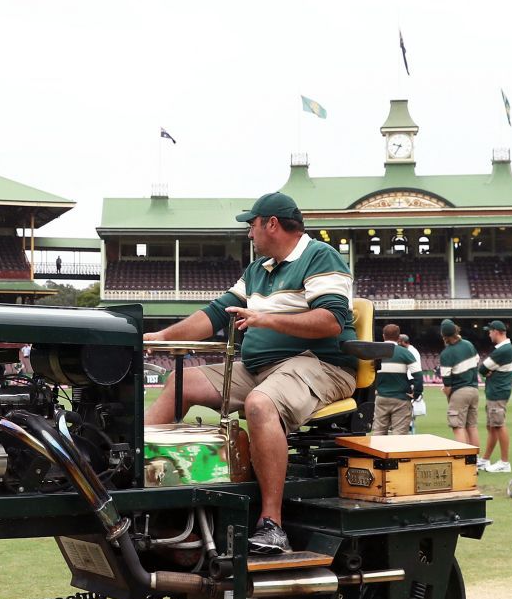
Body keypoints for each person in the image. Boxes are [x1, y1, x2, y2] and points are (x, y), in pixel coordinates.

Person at [144, 192, 357, 555]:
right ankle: (140, 482)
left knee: (260, 404)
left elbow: (332, 320)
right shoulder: (258, 270)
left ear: (271, 223)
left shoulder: (321, 256)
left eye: (251, 225)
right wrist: (161, 337)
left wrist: (267, 318)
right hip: (262, 368)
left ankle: (272, 524)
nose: (249, 234)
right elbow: (212, 316)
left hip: (322, 364)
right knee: (180, 381)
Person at [369, 322, 420, 436]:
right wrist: (416, 394)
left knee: (378, 433)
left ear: (383, 336)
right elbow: (418, 375)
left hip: (381, 398)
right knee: (399, 436)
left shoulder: (375, 353)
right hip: (401, 399)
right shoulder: (405, 353)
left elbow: (369, 374)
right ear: (398, 337)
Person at [478, 321, 512, 474]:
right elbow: (485, 369)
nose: (489, 334)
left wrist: (487, 372)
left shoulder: (503, 350)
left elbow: (482, 368)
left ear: (497, 332)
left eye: (490, 331)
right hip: (496, 391)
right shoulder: (504, 348)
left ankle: (505, 462)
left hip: (498, 392)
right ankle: (485, 459)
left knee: (498, 425)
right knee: (492, 426)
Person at [436, 319, 481, 447]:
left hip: (459, 392)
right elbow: (477, 361)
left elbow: (447, 383)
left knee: (458, 427)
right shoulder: (468, 344)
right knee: (472, 427)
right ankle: (475, 460)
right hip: (474, 389)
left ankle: (464, 459)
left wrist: (447, 394)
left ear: (443, 335)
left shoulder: (446, 353)